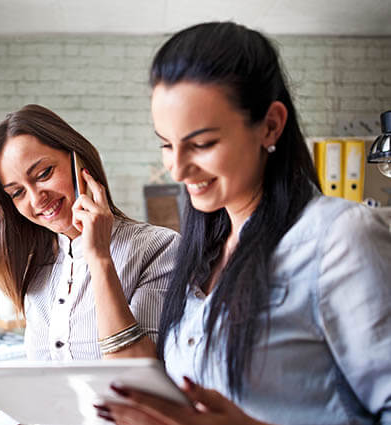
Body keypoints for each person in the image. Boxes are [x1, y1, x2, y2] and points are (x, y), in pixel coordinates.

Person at [96, 22, 391, 425]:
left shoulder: (341, 238)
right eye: (166, 144)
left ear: (270, 125)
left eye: (202, 144)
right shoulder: (204, 252)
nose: (178, 169)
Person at [0, 104, 180, 425]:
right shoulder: (40, 269)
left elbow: (139, 384)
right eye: (17, 193)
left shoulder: (158, 247)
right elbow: (53, 390)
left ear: (80, 162)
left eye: (43, 174)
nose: (36, 199)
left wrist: (99, 255)